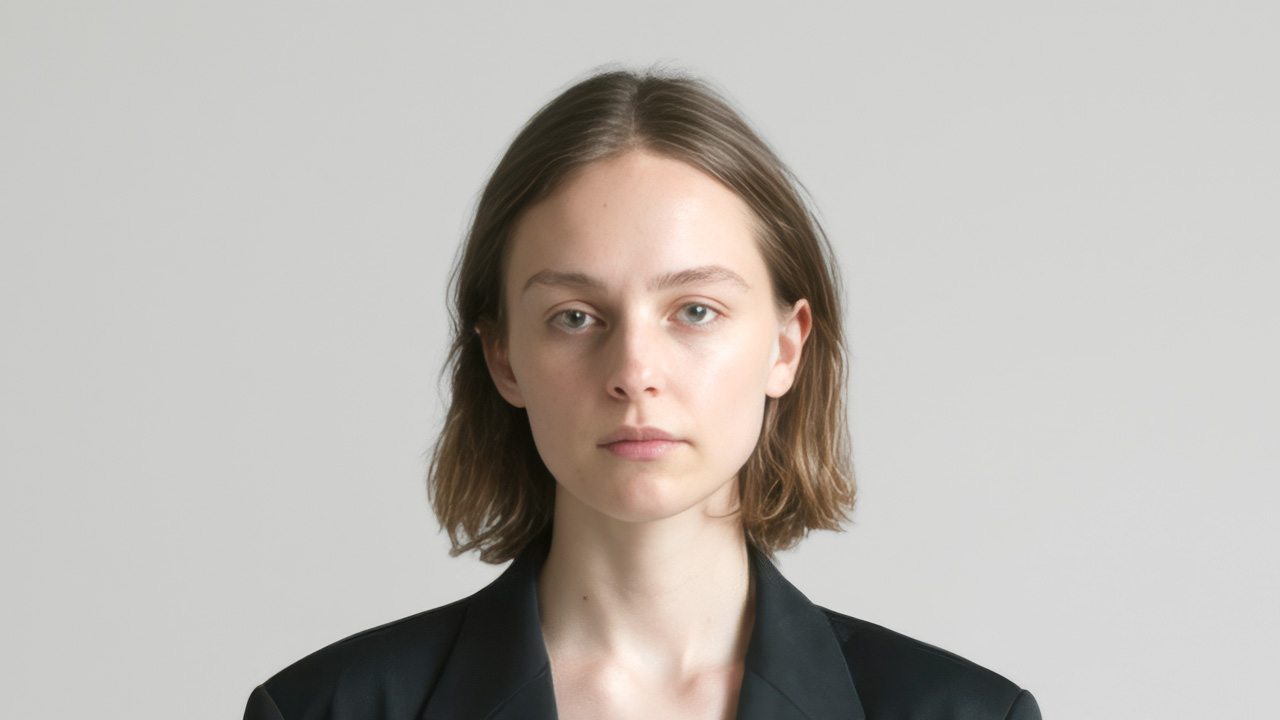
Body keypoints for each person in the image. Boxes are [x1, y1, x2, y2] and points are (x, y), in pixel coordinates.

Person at [243, 68, 1041, 720]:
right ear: (504, 359)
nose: (634, 370)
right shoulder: (325, 712)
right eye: (575, 316)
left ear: (786, 346)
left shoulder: (962, 715)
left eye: (694, 310)